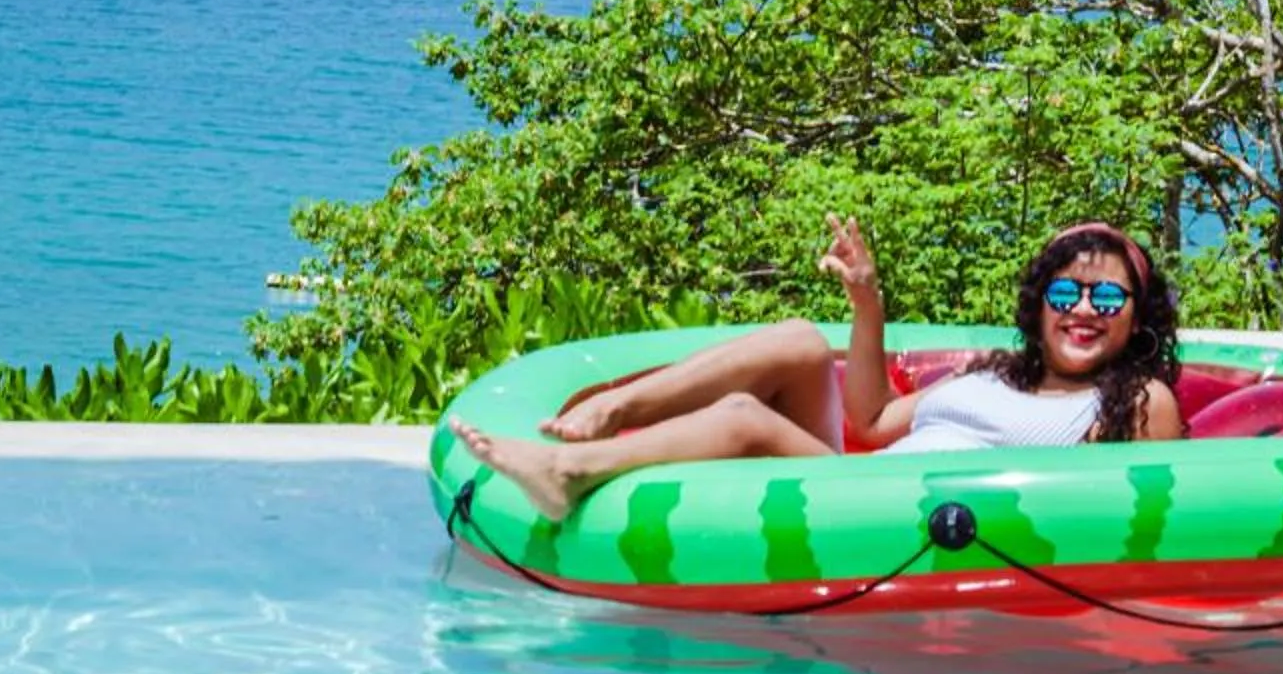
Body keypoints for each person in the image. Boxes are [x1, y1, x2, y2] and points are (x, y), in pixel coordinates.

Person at [449, 218, 1183, 522]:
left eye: (1107, 295)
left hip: (913, 515)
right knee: (801, 339)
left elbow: (1133, 510)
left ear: (1136, 314)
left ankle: (572, 472)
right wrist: (867, 300)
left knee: (745, 419)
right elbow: (869, 422)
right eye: (1065, 292)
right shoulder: (993, 375)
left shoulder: (1137, 400)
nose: (1083, 309)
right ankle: (611, 412)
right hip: (866, 485)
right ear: (1039, 304)